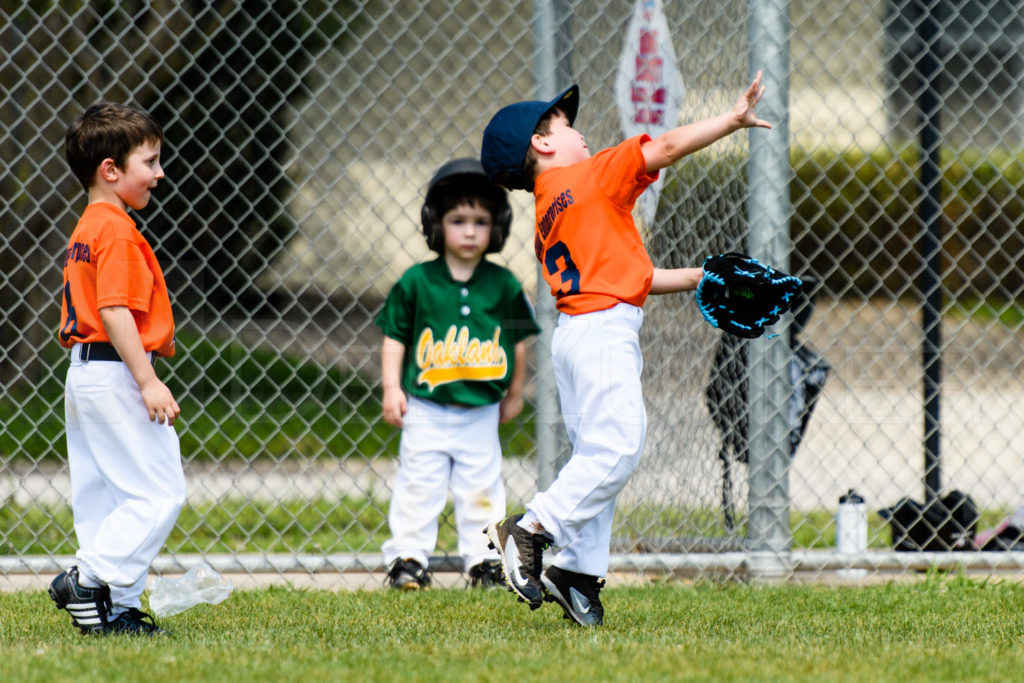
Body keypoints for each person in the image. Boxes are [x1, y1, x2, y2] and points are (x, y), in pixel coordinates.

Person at [480, 72, 771, 626]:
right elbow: (660, 149)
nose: (583, 134)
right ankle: (531, 527)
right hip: (602, 333)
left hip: (578, 335)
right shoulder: (590, 175)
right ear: (541, 144)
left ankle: (578, 573)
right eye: (568, 125)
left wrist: (695, 278)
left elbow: (619, 274)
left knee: (597, 459)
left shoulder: (550, 207)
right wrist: (731, 121)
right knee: (618, 447)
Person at [49, 102, 186, 635]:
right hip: (116, 373)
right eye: (149, 162)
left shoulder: (90, 224)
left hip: (85, 374)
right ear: (112, 170)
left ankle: (114, 607)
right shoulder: (118, 231)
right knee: (159, 491)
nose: (159, 172)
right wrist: (147, 380)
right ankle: (91, 579)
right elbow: (114, 309)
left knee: (105, 496)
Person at [376, 158, 540, 591]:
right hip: (425, 408)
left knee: (482, 490)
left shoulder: (505, 285)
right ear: (436, 224)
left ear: (497, 226)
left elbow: (519, 344)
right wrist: (392, 387)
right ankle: (407, 559)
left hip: (481, 411)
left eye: (480, 221)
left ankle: (485, 562)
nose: (470, 231)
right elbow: (394, 337)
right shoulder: (416, 281)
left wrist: (516, 392)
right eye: (458, 220)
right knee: (417, 486)